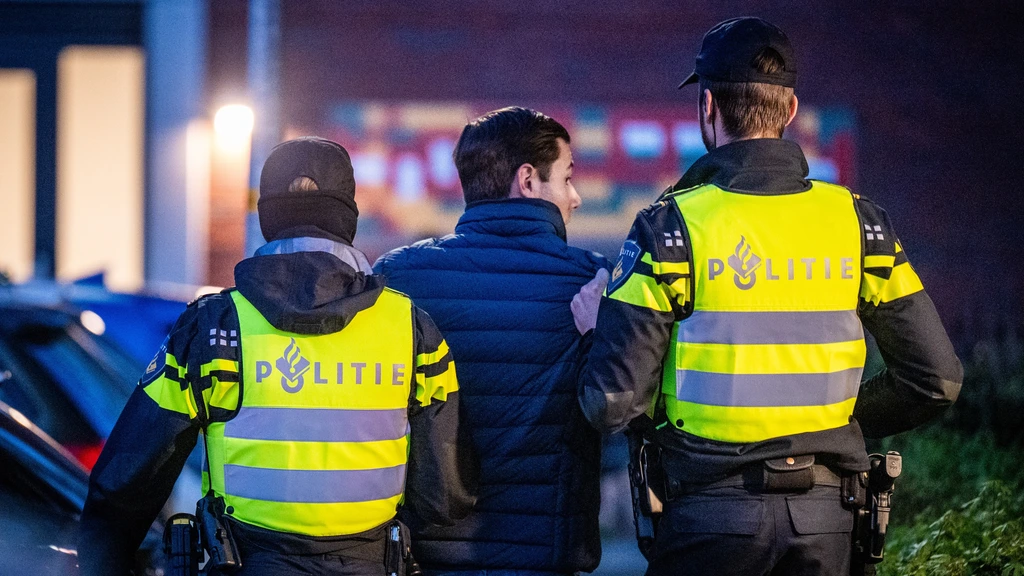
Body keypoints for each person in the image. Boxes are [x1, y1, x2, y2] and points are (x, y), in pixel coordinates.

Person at [572, 17, 963, 576]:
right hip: (829, 520)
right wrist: (840, 423)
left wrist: (596, 336)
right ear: (792, 109)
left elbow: (612, 403)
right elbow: (937, 379)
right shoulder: (858, 223)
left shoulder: (671, 228)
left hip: (708, 520)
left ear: (707, 108)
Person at [79, 137, 475, 576]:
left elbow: (126, 481)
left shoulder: (213, 326)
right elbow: (445, 497)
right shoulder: (412, 330)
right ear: (348, 216)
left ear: (267, 215)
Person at [374, 106, 609, 576]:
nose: (576, 197)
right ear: (527, 180)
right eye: (566, 178)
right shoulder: (590, 285)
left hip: (427, 552)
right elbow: (618, 407)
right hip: (543, 554)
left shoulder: (398, 276)